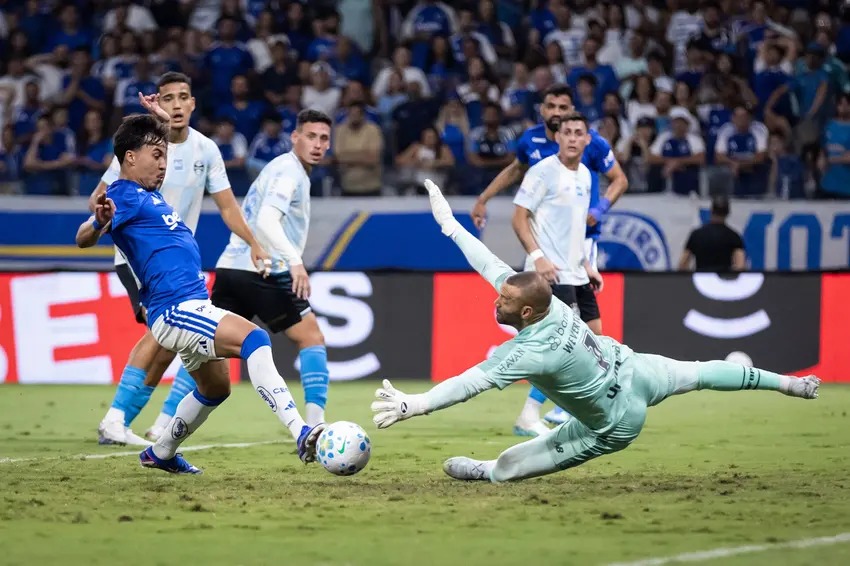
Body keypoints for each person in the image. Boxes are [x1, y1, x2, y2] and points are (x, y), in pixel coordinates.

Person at [369, 177, 820, 483]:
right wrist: (450, 226)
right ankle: (790, 384)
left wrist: (415, 404)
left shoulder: (529, 351)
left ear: (525, 312)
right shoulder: (549, 302)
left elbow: (468, 384)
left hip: (616, 422)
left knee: (511, 465)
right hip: (636, 369)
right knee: (701, 372)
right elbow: (489, 263)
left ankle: (487, 471)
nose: (495, 300)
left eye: (503, 301)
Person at [76, 114, 324, 474]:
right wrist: (98, 222)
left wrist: (162, 125)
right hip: (175, 309)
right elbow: (83, 237)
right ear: (130, 157)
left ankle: (161, 452)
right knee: (255, 339)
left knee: (216, 388)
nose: (163, 164)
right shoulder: (123, 194)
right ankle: (301, 430)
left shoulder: (151, 197)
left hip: (191, 306)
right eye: (156, 155)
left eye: (165, 156)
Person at [89, 72, 271, 446]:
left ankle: (157, 422)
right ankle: (117, 418)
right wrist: (103, 218)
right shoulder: (141, 148)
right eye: (167, 98)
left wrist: (253, 242)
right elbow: (100, 197)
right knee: (162, 332)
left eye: (182, 97)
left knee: (181, 339)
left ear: (192, 103)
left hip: (178, 261)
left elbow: (228, 207)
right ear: (159, 104)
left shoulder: (206, 150)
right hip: (139, 257)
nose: (175, 105)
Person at [470, 84, 629, 435]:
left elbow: (619, 179)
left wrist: (598, 221)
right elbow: (516, 182)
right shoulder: (537, 158)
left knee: (594, 339)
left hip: (578, 255)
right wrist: (485, 199)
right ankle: (539, 410)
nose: (558, 113)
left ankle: (565, 408)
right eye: (552, 107)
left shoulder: (587, 163)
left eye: (564, 107)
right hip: (549, 262)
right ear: (544, 114)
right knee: (564, 341)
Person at [213, 109, 333, 427]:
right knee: (311, 338)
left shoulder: (280, 167)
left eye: (323, 138)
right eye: (310, 136)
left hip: (230, 267)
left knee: (208, 350)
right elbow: (267, 220)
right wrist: (295, 262)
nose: (317, 144)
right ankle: (316, 425)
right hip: (265, 270)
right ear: (295, 137)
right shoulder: (290, 172)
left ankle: (163, 423)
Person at [678, 196, 746, 272]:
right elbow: (740, 266)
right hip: (723, 278)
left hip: (701, 278)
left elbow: (682, 264)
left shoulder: (696, 235)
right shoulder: (734, 237)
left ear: (711, 211)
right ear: (727, 213)